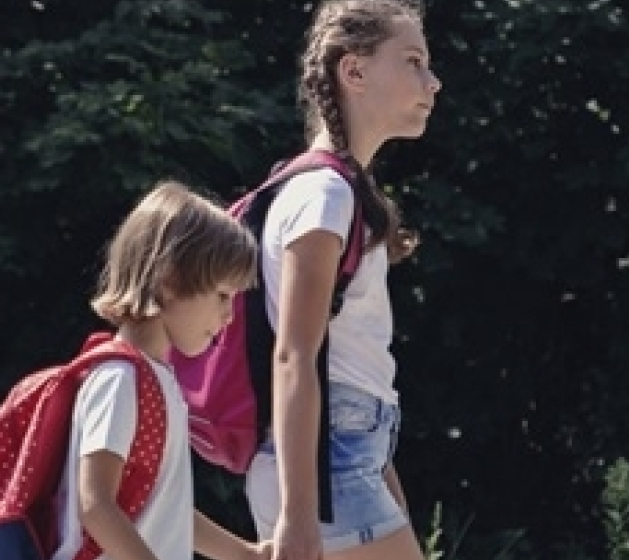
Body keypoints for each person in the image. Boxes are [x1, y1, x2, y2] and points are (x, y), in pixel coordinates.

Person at [245, 2, 439, 560]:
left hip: (342, 456)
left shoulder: (330, 190)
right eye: (413, 61)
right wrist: (299, 513)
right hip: (325, 468)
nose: (433, 81)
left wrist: (384, 478)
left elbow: (344, 361)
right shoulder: (324, 195)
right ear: (354, 71)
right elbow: (294, 356)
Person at [53, 183, 267, 560]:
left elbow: (166, 509)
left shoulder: (156, 380)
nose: (229, 316)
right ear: (170, 281)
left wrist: (245, 554)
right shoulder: (119, 378)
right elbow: (96, 505)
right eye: (222, 296)